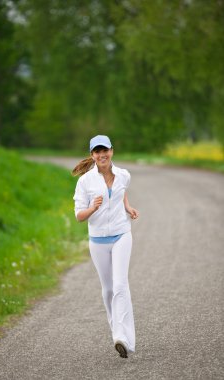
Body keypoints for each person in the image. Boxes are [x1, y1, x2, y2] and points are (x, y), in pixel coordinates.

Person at [72, 135, 139, 358]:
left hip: (122, 234)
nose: (102, 155)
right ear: (92, 155)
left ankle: (122, 337)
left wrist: (128, 208)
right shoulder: (85, 182)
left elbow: (121, 193)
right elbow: (79, 216)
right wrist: (92, 208)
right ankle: (116, 331)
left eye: (105, 150)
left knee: (121, 285)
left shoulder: (124, 175)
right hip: (98, 240)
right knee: (109, 289)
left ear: (112, 150)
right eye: (97, 151)